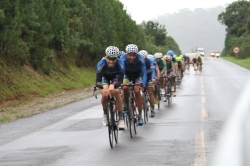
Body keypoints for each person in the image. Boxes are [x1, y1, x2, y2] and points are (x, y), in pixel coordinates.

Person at [96, 46, 125, 129]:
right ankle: (105, 114)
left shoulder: (120, 63)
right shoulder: (101, 64)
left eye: (114, 59)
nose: (111, 61)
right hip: (104, 78)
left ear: (117, 58)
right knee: (105, 94)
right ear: (106, 56)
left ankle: (120, 118)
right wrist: (104, 86)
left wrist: (113, 85)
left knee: (117, 92)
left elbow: (120, 81)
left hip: (116, 77)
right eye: (109, 58)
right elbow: (98, 82)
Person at [120, 44, 147, 126]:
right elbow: (120, 72)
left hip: (137, 76)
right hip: (126, 76)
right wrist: (120, 82)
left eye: (134, 55)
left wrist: (143, 85)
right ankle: (126, 105)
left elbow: (144, 73)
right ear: (126, 54)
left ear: (137, 54)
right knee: (125, 87)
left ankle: (139, 115)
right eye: (130, 55)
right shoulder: (123, 59)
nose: (132, 57)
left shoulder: (140, 59)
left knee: (137, 90)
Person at [138, 50, 156, 117]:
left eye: (144, 59)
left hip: (149, 78)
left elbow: (153, 71)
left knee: (150, 91)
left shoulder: (150, 62)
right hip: (140, 77)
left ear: (146, 58)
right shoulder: (138, 62)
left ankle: (152, 108)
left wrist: (153, 78)